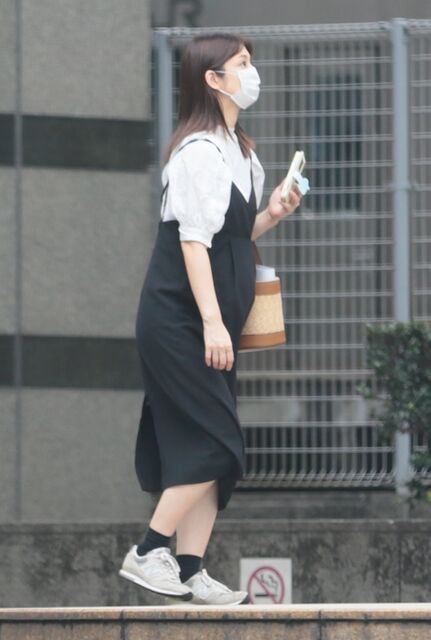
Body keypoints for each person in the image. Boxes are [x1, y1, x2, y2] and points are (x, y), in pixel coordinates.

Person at [119, 33, 302, 606]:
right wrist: (214, 322)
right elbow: (194, 243)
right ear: (213, 78)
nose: (252, 72)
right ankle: (150, 550)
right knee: (219, 443)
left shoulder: (241, 153)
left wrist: (272, 213)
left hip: (208, 323)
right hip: (181, 321)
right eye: (241, 64)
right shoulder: (197, 151)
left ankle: (189, 569)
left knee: (206, 448)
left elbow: (232, 236)